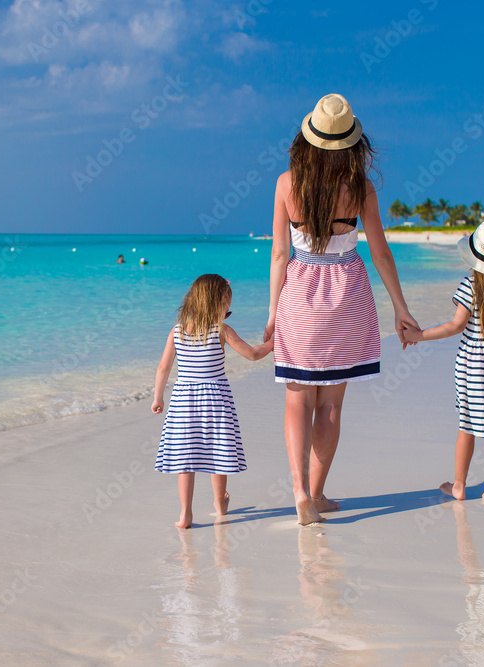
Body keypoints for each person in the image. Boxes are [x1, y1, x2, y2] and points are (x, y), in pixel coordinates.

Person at [266, 93, 419, 525]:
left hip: (299, 296)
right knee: (330, 405)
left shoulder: (285, 184)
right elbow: (382, 254)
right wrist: (400, 308)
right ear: (351, 142)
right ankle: (316, 493)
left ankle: (299, 492)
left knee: (298, 397)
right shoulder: (361, 189)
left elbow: (280, 254)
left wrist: (273, 312)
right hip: (346, 295)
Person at [403, 218, 484, 503]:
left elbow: (456, 325)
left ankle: (459, 486)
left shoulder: (472, 283)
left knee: (468, 426)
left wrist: (419, 334)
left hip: (477, 362)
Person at [153, 274, 273, 528]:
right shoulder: (222, 331)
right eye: (227, 307)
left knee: (185, 459)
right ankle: (220, 503)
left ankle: (185, 514)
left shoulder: (176, 331)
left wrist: (158, 397)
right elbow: (252, 354)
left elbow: (163, 367)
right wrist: (275, 343)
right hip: (216, 401)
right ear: (216, 303)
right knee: (217, 453)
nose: (228, 313)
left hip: (184, 401)